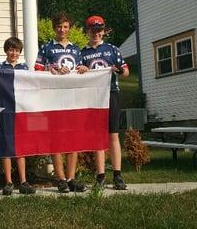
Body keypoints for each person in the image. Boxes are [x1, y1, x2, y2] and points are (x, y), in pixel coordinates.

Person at [34, 12, 88, 194]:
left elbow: (83, 70)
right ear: (54, 28)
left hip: (72, 98)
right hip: (53, 98)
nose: (62, 30)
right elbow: (37, 70)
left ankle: (71, 178)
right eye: (59, 27)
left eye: (65, 27)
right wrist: (53, 69)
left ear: (69, 28)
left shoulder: (76, 49)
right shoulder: (46, 47)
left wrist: (83, 68)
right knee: (56, 139)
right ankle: (61, 179)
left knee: (73, 138)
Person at [80, 15, 129, 190]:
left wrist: (120, 69)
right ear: (87, 32)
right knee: (98, 137)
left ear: (103, 32)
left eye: (99, 30)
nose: (96, 34)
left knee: (113, 135)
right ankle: (100, 176)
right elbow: (78, 76)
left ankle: (117, 175)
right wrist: (83, 71)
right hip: (93, 97)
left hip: (112, 93)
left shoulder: (112, 49)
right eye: (93, 30)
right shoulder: (82, 52)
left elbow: (126, 73)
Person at [0, 37, 36, 196]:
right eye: (11, 50)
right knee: (6, 146)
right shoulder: (0, 67)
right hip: (4, 110)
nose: (13, 53)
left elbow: (31, 86)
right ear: (6, 50)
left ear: (20, 52)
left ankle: (23, 181)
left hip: (20, 110)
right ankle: (8, 182)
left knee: (21, 146)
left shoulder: (24, 68)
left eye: (16, 51)